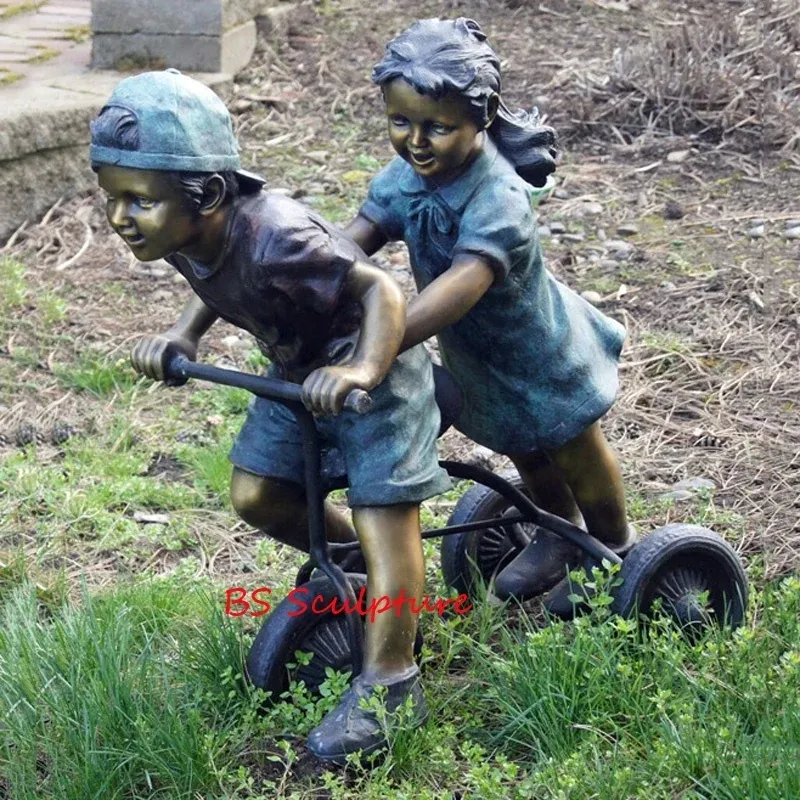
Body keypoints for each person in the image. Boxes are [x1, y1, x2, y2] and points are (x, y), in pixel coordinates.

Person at [89, 68, 451, 763]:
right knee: (258, 493)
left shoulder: (280, 236)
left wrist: (362, 369)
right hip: (298, 373)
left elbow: (380, 289)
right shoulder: (185, 230)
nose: (118, 218)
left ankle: (391, 677)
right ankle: (358, 578)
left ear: (211, 196)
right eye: (112, 198)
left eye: (137, 201)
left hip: (371, 370)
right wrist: (183, 336)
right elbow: (210, 278)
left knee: (383, 511)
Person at [345, 18, 636, 615]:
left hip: (538, 348)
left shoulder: (496, 194)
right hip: (478, 353)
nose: (417, 141)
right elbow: (359, 236)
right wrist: (313, 276)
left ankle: (613, 544)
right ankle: (557, 531)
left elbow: (462, 284)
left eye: (438, 127)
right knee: (523, 447)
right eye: (401, 122)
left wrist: (382, 341)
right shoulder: (407, 177)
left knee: (572, 445)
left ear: (482, 117)